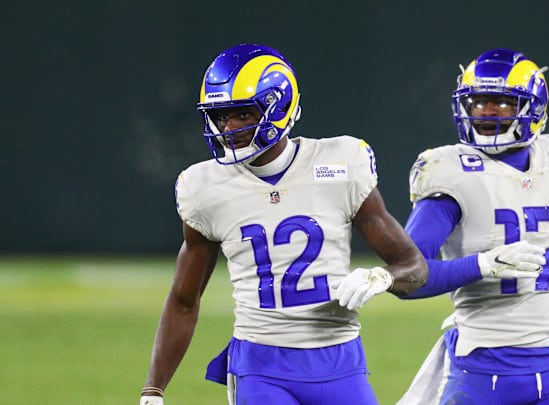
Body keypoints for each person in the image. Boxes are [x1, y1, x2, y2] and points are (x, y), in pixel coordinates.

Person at [139, 43, 430, 405]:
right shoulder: (205, 188)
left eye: (243, 114)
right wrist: (153, 389)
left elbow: (415, 266)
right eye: (221, 116)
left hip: (338, 358)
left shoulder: (339, 165)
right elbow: (184, 301)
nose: (229, 127)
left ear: (279, 108)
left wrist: (383, 277)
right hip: (260, 364)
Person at [396, 48, 549, 404]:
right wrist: (483, 265)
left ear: (533, 109)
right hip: (481, 362)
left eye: (501, 103)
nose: (486, 113)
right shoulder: (451, 171)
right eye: (478, 102)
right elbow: (406, 276)